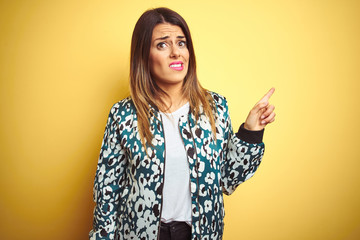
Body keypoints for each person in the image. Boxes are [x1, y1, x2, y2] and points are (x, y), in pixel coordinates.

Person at [89, 7, 275, 240]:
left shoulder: (215, 107)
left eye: (181, 43)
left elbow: (227, 179)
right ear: (144, 56)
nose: (176, 52)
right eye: (162, 45)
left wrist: (251, 132)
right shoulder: (123, 115)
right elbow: (107, 191)